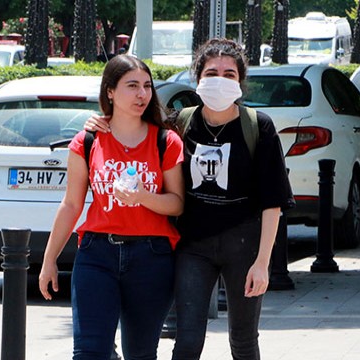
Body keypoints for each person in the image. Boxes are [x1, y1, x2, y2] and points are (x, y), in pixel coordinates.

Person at [85, 38, 294, 360]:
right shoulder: (181, 122)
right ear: (197, 78)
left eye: (229, 74)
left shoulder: (258, 126)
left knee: (243, 340)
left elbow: (273, 202)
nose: (220, 81)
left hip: (245, 246)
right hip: (193, 246)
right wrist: (99, 122)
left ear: (240, 81)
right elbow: (135, 123)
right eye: (212, 73)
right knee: (187, 340)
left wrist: (263, 264)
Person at [39, 54, 185, 360]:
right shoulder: (87, 141)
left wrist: (144, 196)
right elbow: (71, 204)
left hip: (152, 257)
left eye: (146, 86)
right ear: (110, 91)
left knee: (140, 354)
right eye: (131, 86)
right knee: (89, 353)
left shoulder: (165, 140)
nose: (142, 94)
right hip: (96, 254)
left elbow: (177, 204)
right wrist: (49, 259)